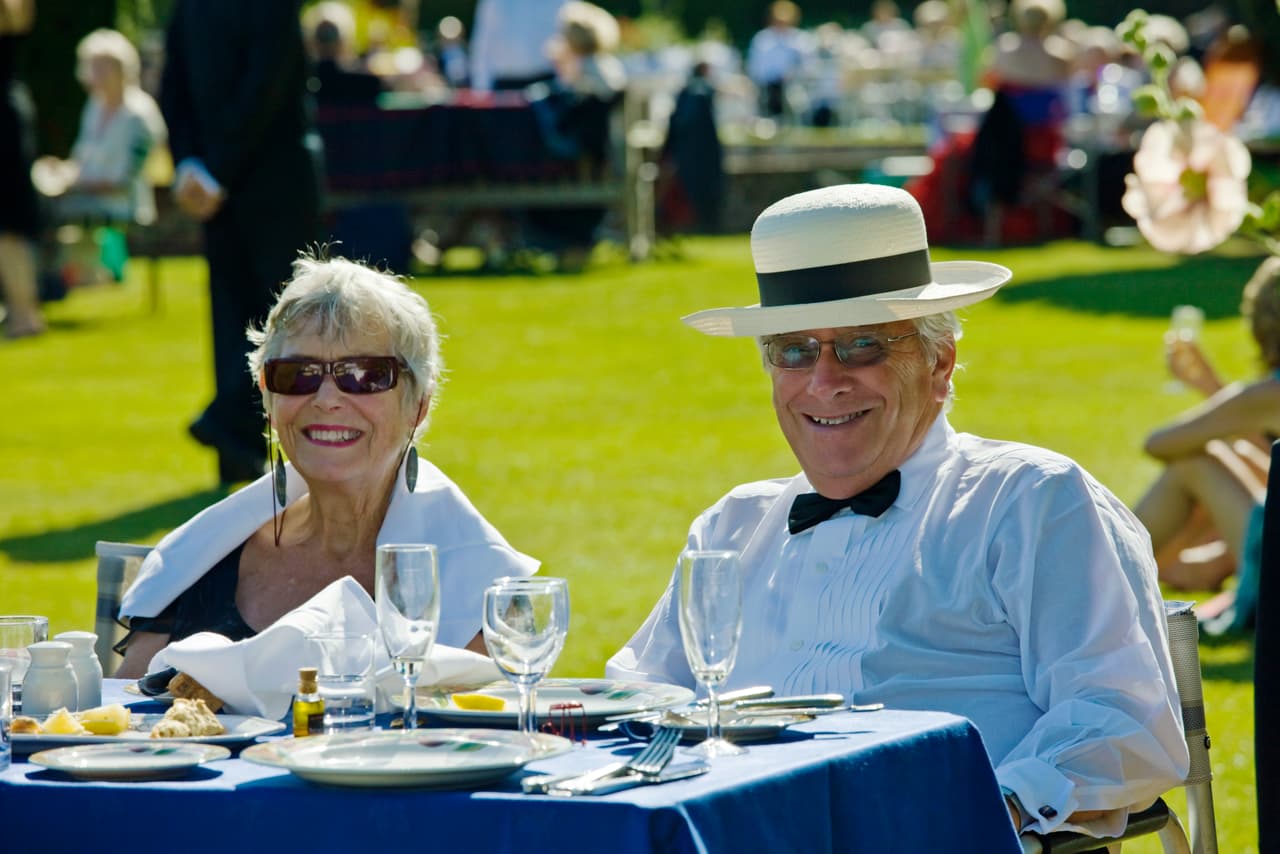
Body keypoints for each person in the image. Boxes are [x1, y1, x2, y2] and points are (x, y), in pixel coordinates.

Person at [607, 184, 1189, 841]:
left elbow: (1123, 719)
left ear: (940, 362)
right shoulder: (732, 527)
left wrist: (984, 813)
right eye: (793, 350)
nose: (825, 381)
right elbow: (643, 700)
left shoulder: (1027, 500)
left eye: (862, 346)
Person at [115, 254, 538, 679]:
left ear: (419, 404)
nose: (326, 399)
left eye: (364, 374)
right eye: (298, 374)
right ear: (268, 397)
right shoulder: (204, 559)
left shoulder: (479, 582)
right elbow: (123, 712)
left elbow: (493, 732)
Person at [160, 0, 324, 486]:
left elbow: (175, 90)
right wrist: (204, 168)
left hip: (220, 182)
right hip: (269, 177)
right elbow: (266, 86)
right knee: (283, 313)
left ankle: (236, 442)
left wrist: (196, 163)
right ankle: (235, 430)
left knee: (244, 312)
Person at [1134, 256, 1280, 636]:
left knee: (1195, 462)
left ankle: (1100, 574)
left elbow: (1160, 443)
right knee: (1239, 454)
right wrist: (1214, 390)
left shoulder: (1272, 393)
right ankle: (1177, 568)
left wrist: (1218, 402)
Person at [33, 28, 165, 286]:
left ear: (122, 68)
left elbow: (121, 180)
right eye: (92, 68)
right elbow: (82, 160)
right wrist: (61, 171)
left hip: (122, 202)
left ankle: (45, 284)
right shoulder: (95, 106)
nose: (96, 76)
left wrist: (71, 185)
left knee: (33, 211)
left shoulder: (138, 114)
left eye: (103, 68)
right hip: (86, 193)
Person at [0, 0, 43, 339]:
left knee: (8, 227)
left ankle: (25, 315)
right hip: (9, 117)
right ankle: (20, 312)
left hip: (4, 124)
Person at [469, 0, 566, 92]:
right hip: (506, 83)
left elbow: (569, 38)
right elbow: (483, 42)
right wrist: (481, 89)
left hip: (548, 82)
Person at [745, 1, 811, 121]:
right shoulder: (762, 40)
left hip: (795, 85)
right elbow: (756, 69)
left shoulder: (800, 40)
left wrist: (792, 75)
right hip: (767, 87)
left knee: (796, 97)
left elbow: (807, 66)